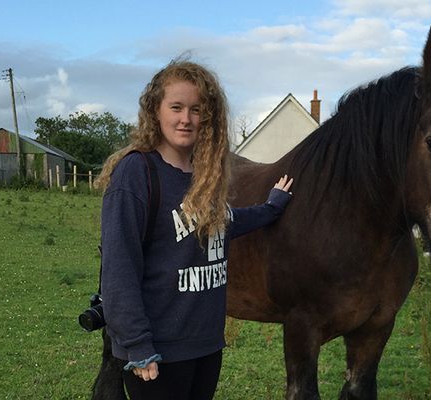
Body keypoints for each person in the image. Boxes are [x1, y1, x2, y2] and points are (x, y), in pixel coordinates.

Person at [94, 59, 293, 400]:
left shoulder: (205, 176)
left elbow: (224, 223)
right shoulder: (136, 174)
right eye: (176, 107)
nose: (186, 119)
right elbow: (118, 269)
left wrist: (272, 207)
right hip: (157, 352)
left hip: (205, 344)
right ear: (155, 111)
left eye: (196, 109)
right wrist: (137, 344)